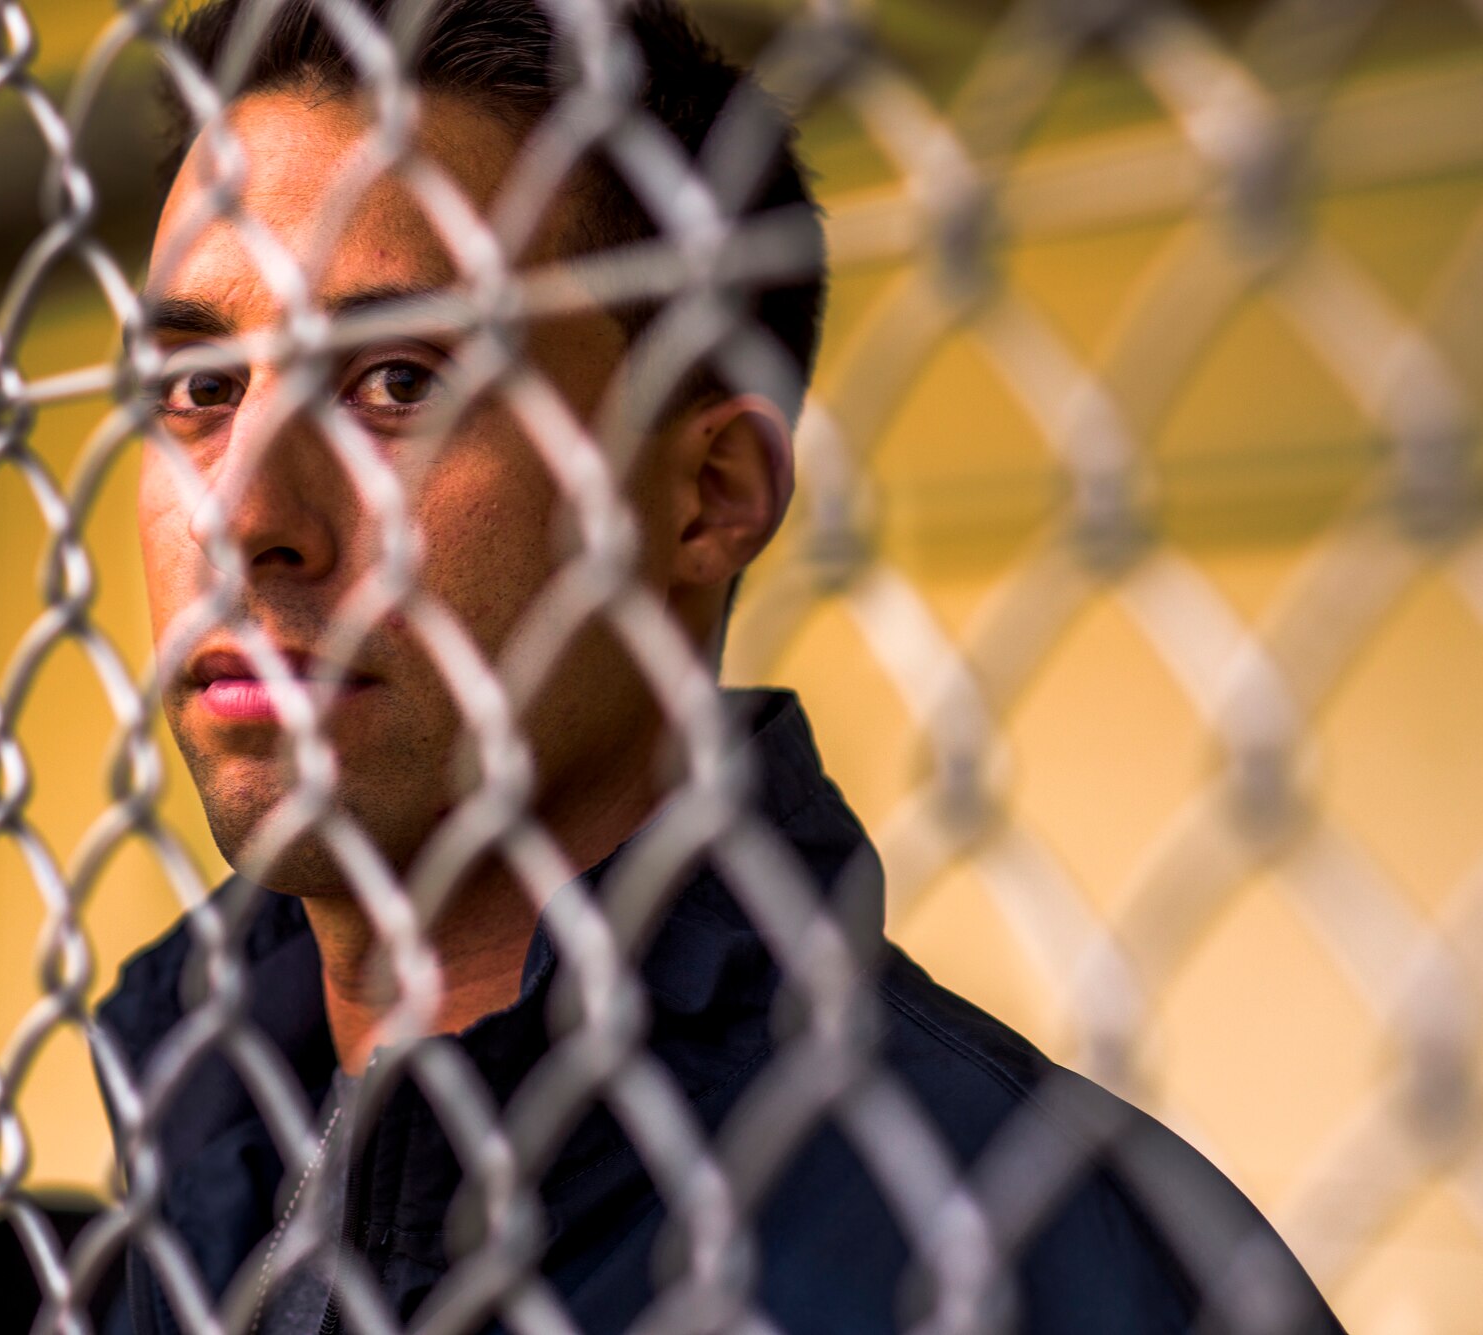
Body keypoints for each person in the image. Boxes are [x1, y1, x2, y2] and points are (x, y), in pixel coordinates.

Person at [95, 1, 1347, 1331]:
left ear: (705, 493)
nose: (244, 514)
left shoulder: (1052, 1265)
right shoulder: (189, 1149)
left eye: (399, 381)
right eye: (201, 388)